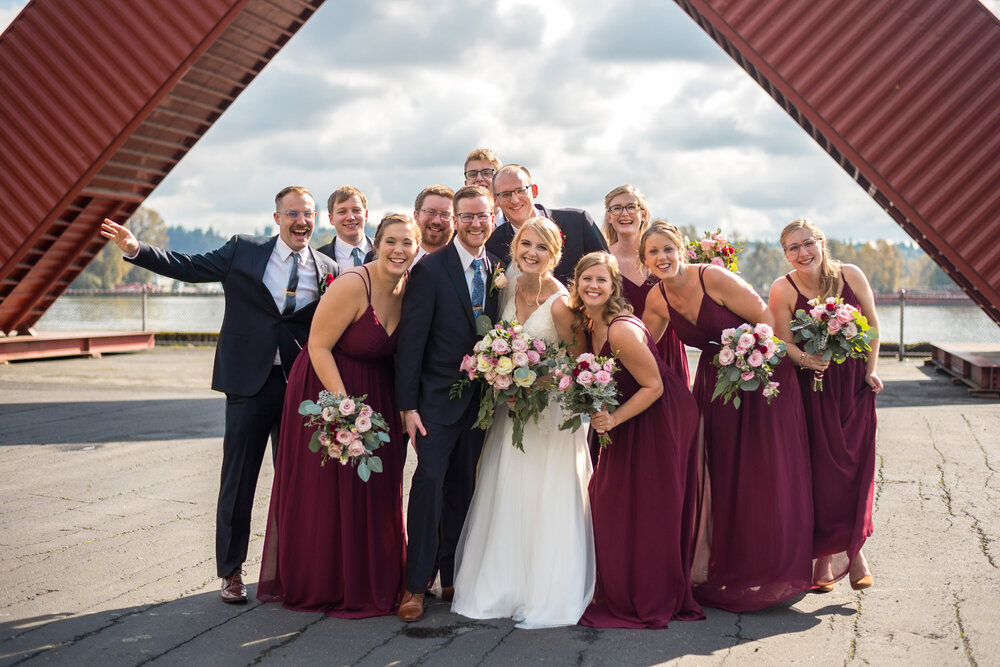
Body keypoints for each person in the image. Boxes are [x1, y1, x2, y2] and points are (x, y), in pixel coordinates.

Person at [99, 186, 340, 603]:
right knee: (238, 480)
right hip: (249, 382)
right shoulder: (243, 250)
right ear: (277, 217)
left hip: (301, 387)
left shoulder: (328, 266)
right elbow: (190, 267)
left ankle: (290, 569)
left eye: (309, 214)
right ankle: (231, 571)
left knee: (297, 483)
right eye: (294, 213)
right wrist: (138, 250)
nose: (303, 221)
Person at [641, 220, 814, 612]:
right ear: (645, 260)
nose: (662, 257)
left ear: (680, 249)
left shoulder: (712, 278)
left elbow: (766, 319)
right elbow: (643, 347)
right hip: (715, 387)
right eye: (653, 253)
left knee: (764, 472)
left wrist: (744, 353)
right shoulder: (656, 300)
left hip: (762, 378)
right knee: (724, 471)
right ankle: (731, 564)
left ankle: (774, 568)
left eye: (668, 248)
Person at [257, 214, 420, 617]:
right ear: (376, 244)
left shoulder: (408, 288)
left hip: (377, 392)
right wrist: (344, 410)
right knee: (328, 489)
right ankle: (325, 579)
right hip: (328, 386)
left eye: (407, 244)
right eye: (391, 242)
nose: (399, 250)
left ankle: (373, 578)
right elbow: (317, 346)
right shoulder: (353, 284)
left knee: (375, 487)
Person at [452, 217, 595, 629]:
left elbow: (577, 364)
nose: (531, 253)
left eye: (542, 248)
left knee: (545, 491)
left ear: (555, 255)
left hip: (551, 411)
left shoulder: (562, 303)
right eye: (526, 244)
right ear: (515, 246)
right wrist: (503, 373)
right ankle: (504, 585)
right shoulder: (507, 287)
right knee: (509, 489)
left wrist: (532, 379)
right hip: (512, 409)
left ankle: (546, 587)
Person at [565, 252, 703, 629]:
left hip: (658, 417)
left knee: (645, 507)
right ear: (576, 284)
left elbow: (655, 385)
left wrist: (612, 419)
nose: (593, 286)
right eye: (586, 279)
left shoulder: (619, 330)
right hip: (627, 417)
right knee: (613, 501)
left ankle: (650, 594)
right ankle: (620, 586)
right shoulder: (589, 324)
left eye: (601, 280)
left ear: (613, 287)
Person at [395, 185, 502, 622]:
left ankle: (453, 574)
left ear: (492, 219)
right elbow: (410, 344)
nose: (476, 223)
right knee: (428, 486)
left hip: (481, 402)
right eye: (468, 216)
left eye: (483, 216)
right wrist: (408, 405)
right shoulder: (430, 270)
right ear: (455, 220)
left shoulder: (499, 269)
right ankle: (414, 586)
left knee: (464, 489)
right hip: (436, 403)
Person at [769, 218, 881, 591]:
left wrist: (871, 372)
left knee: (853, 468)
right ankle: (823, 558)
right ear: (785, 254)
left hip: (853, 385)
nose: (803, 253)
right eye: (793, 248)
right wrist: (806, 360)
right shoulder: (782, 289)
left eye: (807, 244)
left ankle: (853, 550)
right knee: (819, 473)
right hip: (812, 388)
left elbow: (873, 326)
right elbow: (784, 344)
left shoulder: (851, 274)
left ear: (821, 242)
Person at [602, 186, 690, 379]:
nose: (624, 214)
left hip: (669, 349)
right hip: (626, 354)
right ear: (609, 216)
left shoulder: (664, 256)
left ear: (643, 214)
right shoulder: (603, 261)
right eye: (616, 208)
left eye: (631, 207)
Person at [485, 164, 607, 285]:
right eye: (506, 194)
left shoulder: (577, 222)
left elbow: (608, 272)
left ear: (534, 191)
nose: (515, 200)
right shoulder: (493, 244)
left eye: (521, 190)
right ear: (495, 200)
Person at [317, 186, 374, 270]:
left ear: (366, 215)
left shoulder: (384, 251)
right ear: (331, 219)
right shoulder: (317, 259)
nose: (350, 217)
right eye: (342, 212)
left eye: (356, 210)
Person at [412, 185, 455, 264]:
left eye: (445, 214)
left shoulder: (463, 264)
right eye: (430, 212)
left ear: (455, 221)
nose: (437, 221)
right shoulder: (400, 260)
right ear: (416, 215)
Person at [463, 148, 501, 218]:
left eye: (486, 173)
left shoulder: (519, 225)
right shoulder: (453, 226)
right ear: (466, 184)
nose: (479, 179)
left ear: (499, 181)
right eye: (473, 174)